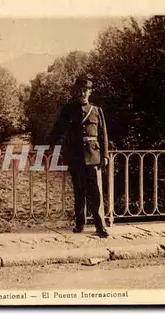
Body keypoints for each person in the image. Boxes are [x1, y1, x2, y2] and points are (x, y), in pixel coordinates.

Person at [49, 74, 110, 238]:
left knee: (96, 192)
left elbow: (103, 136)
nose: (82, 93)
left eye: (86, 90)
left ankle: (100, 226)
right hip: (75, 155)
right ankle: (80, 223)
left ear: (90, 92)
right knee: (79, 191)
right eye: (80, 90)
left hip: (93, 155)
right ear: (76, 92)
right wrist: (47, 147)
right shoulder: (68, 110)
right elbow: (58, 130)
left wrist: (105, 156)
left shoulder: (97, 111)